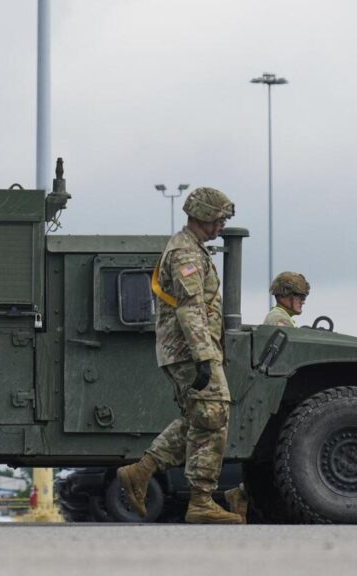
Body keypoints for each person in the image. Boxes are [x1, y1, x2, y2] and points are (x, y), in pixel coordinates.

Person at [116, 187, 244, 524]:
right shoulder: (186, 253)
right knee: (214, 415)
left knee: (200, 419)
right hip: (190, 351)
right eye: (219, 218)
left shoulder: (192, 248)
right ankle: (201, 500)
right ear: (203, 215)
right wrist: (204, 357)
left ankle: (141, 472)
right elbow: (190, 309)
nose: (222, 225)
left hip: (188, 350)